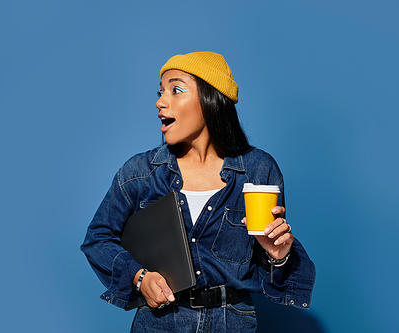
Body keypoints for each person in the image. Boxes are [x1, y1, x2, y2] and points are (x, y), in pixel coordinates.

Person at [81, 51, 315, 332]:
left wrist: (278, 256)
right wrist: (140, 278)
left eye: (176, 90)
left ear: (212, 101)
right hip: (158, 323)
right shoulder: (140, 173)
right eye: (160, 92)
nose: (160, 102)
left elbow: (271, 273)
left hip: (232, 324)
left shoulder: (258, 170)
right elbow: (97, 239)